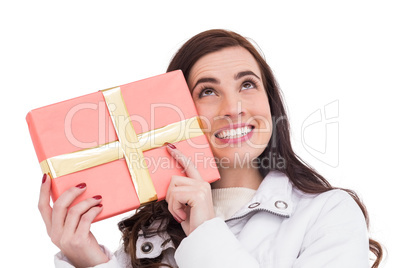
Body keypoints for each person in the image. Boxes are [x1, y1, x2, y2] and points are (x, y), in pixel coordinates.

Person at [39, 29, 383, 267]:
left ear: (270, 103)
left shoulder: (327, 214)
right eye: (207, 91)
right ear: (178, 110)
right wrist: (90, 260)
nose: (233, 108)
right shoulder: (149, 235)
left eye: (247, 84)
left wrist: (204, 232)